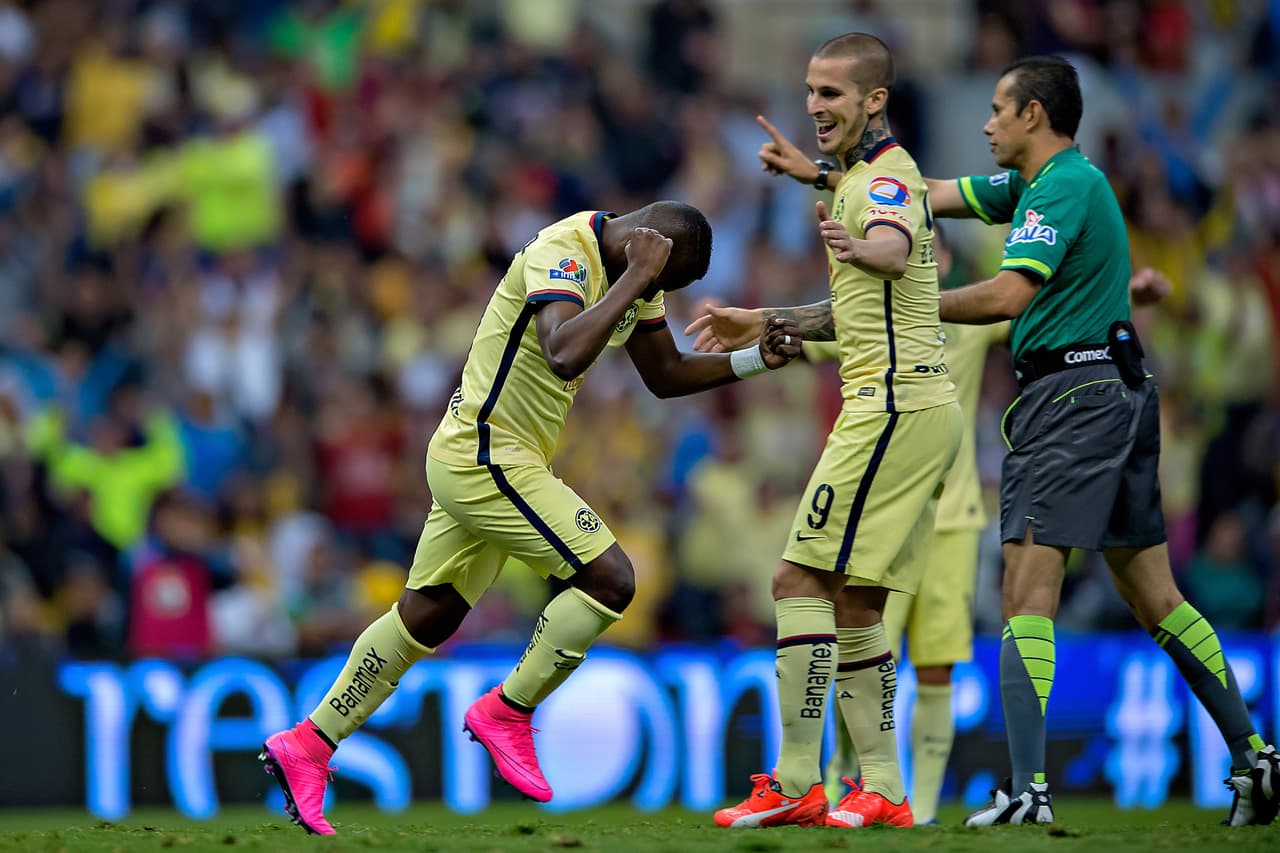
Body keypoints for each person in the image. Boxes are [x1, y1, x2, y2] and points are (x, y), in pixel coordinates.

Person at [707, 53, 1280, 829]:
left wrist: (909, 306)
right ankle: (1255, 755)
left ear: (1033, 116)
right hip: (1115, 389)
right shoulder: (1036, 186)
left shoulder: (1066, 186)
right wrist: (821, 175)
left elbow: (1010, 293)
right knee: (1154, 593)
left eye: (999, 110)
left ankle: (1026, 787)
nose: (985, 124)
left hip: (1073, 398)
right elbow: (921, 194)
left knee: (1023, 589)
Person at [259, 201, 803, 835]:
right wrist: (635, 279)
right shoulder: (563, 250)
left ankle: (308, 744)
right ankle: (508, 711)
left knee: (427, 615)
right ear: (646, 249)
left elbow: (666, 372)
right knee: (612, 578)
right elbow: (564, 354)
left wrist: (756, 360)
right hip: (487, 452)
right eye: (658, 281)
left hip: (493, 457)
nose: (654, 297)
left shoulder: (636, 271)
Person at [711, 32, 962, 830]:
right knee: (855, 600)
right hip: (912, 406)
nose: (815, 106)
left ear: (875, 100)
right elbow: (852, 309)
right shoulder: (861, 176)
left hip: (889, 406)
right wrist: (765, 318)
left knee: (795, 582)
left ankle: (794, 781)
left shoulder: (882, 186)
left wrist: (871, 248)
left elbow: (890, 244)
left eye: (832, 95)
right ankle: (883, 785)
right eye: (811, 91)